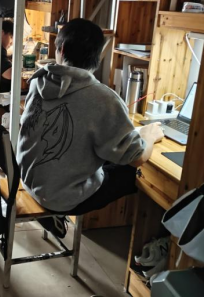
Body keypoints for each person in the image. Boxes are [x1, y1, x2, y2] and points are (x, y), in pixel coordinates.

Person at [17, 18, 164, 238]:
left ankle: (54, 212)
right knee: (134, 172)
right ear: (98, 54)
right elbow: (137, 157)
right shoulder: (103, 98)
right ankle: (150, 244)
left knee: (103, 155)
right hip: (61, 197)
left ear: (61, 50)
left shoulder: (40, 80)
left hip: (29, 180)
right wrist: (149, 136)